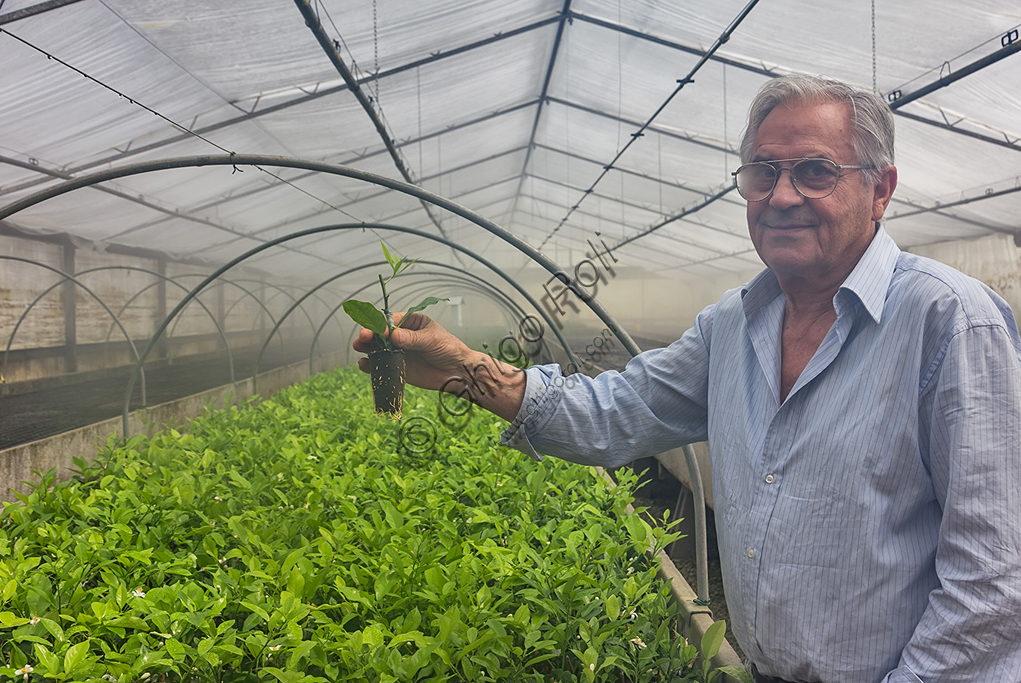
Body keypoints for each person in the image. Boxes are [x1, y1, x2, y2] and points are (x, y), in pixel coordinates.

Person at [353, 74, 1021, 683]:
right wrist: (465, 369)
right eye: (763, 172)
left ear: (879, 188)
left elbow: (994, 580)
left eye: (815, 171)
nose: (782, 195)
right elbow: (613, 411)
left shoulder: (950, 323)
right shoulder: (733, 325)